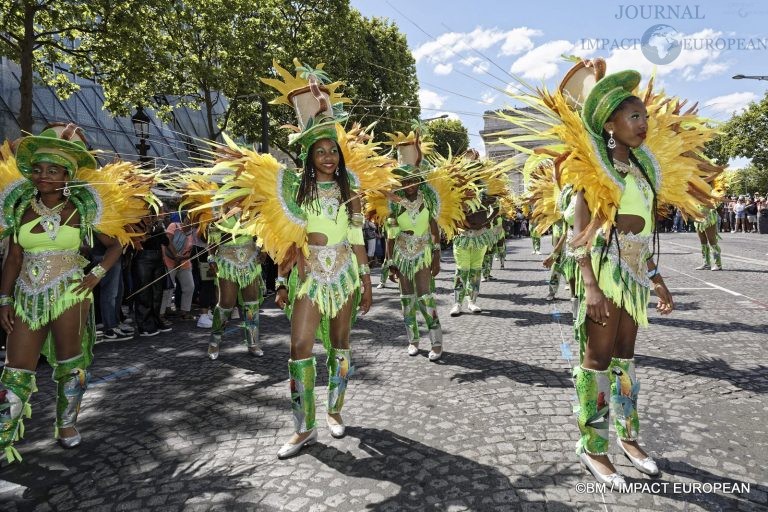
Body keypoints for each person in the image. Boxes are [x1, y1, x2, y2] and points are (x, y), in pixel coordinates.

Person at [498, 62, 719, 487]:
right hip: (604, 273)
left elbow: (643, 236)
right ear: (612, 126)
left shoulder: (643, 172)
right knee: (597, 359)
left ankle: (629, 438)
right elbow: (580, 236)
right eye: (634, 117)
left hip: (634, 276)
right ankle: (593, 447)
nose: (644, 124)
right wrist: (593, 286)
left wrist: (658, 280)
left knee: (625, 359)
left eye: (645, 117)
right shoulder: (591, 171)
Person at [204, 62, 393, 459]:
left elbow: (357, 236)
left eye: (333, 151)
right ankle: (303, 427)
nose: (328, 157)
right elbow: (287, 240)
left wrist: (367, 279)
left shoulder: (351, 190)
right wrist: (284, 280)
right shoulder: (293, 189)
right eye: (320, 151)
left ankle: (335, 411)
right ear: (308, 156)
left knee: (340, 344)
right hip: (309, 276)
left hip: (343, 272)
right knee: (299, 346)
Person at [0, 124, 153, 461]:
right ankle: (3, 435)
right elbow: (13, 258)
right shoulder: (19, 205)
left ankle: (66, 424)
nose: (43, 176)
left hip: (70, 293)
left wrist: (95, 275)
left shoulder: (84, 207)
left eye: (52, 170)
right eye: (38, 169)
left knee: (71, 363)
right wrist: (4, 299)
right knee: (15, 367)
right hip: (26, 295)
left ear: (66, 174)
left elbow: (114, 247)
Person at [384, 133, 445, 361]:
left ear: (419, 180)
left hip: (422, 253)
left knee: (425, 297)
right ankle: (413, 340)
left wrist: (436, 257)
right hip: (401, 254)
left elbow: (434, 229)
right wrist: (390, 263)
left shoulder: (428, 200)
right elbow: (390, 235)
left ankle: (436, 342)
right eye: (405, 181)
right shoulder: (394, 203)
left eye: (412, 180)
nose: (409, 185)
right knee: (406, 299)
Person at [132, 211, 172, 337]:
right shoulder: (135, 224)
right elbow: (139, 242)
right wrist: (148, 230)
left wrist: (159, 228)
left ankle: (155, 320)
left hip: (157, 257)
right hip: (143, 259)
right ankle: (144, 324)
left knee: (157, 292)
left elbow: (165, 241)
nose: (151, 216)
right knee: (144, 292)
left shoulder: (158, 225)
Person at [160, 214, 195, 321]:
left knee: (189, 286)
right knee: (167, 288)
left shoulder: (193, 232)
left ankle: (185, 311)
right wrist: (176, 256)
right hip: (169, 261)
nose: (189, 221)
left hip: (184, 263)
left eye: (192, 220)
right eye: (188, 219)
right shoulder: (174, 226)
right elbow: (167, 242)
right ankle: (161, 314)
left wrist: (181, 258)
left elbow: (191, 251)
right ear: (184, 218)